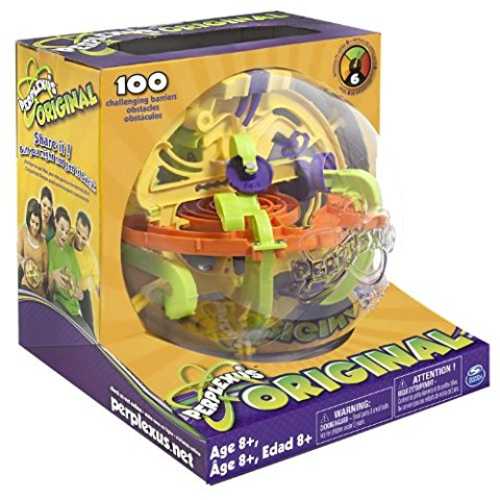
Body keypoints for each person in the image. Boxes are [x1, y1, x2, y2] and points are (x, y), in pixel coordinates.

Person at [48, 207, 93, 337]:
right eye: (61, 229)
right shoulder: (50, 247)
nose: (64, 235)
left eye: (67, 232)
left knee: (90, 336)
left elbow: (78, 285)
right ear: (55, 223)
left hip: (74, 310)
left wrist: (79, 294)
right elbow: (48, 289)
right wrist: (53, 276)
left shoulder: (70, 251)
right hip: (58, 304)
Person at [73, 211, 99, 334]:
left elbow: (96, 278)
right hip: (67, 288)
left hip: (82, 291)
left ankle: (91, 338)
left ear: (88, 238)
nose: (80, 239)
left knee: (89, 324)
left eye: (84, 238)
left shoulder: (90, 256)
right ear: (75, 227)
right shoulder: (67, 239)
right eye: (78, 233)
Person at [18, 198, 48, 297]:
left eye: (37, 224)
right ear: (28, 219)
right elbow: (17, 254)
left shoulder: (43, 243)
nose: (34, 227)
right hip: (25, 285)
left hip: (39, 291)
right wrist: (25, 263)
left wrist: (40, 277)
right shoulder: (23, 231)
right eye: (32, 222)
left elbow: (46, 273)